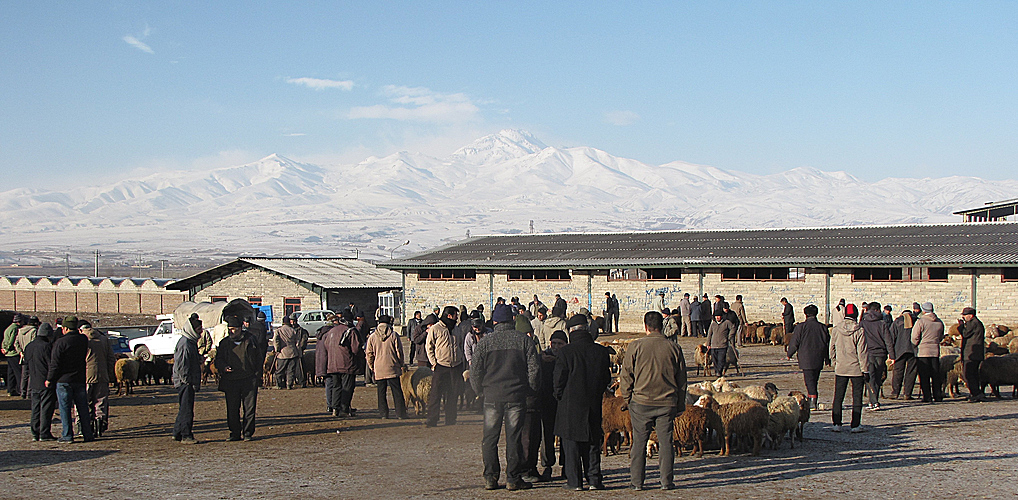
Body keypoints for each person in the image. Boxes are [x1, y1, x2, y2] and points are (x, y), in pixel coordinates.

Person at [470, 304, 540, 491]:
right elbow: (534, 370)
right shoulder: (524, 341)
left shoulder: (485, 342)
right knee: (514, 438)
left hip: (492, 396)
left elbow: (474, 371)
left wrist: (479, 391)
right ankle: (513, 478)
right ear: (513, 320)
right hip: (516, 396)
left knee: (489, 439)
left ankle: (490, 478)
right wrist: (529, 391)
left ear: (494, 321)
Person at [620, 311, 686, 491]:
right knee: (666, 444)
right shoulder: (674, 348)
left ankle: (637, 482)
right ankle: (666, 481)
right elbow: (681, 380)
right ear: (662, 326)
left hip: (640, 403)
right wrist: (680, 405)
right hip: (667, 403)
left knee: (639, 443)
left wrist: (627, 398)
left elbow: (626, 375)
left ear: (645, 326)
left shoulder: (636, 346)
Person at [553, 315, 612, 491]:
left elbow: (558, 380)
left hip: (570, 404)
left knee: (571, 444)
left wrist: (560, 396)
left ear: (571, 332)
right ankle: (594, 479)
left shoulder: (566, 352)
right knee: (593, 442)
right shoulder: (600, 352)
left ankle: (574, 481)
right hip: (593, 403)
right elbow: (606, 379)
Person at [46, 316, 94, 443]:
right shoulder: (83, 339)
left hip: (64, 380)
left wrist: (50, 379)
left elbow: (55, 364)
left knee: (65, 408)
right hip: (79, 378)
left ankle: (67, 435)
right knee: (83, 408)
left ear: (65, 328)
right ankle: (87, 433)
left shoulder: (61, 342)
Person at [215, 315, 262, 441]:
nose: (231, 331)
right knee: (232, 408)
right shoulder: (224, 343)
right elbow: (218, 360)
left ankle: (247, 433)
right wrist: (223, 367)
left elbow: (259, 358)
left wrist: (257, 375)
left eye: (234, 329)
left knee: (249, 408)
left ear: (240, 328)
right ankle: (235, 432)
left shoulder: (251, 340)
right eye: (229, 328)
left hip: (249, 379)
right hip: (231, 381)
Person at [828, 304, 868, 433]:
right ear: (855, 315)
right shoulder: (859, 331)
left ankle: (837, 423)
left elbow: (832, 348)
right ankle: (855, 425)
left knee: (838, 396)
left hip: (841, 367)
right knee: (857, 397)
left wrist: (835, 362)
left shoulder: (836, 329)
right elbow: (862, 352)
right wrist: (865, 369)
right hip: (856, 368)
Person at [425, 306, 464, 427]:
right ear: (449, 316)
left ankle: (451, 419)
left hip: (455, 365)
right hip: (441, 366)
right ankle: (432, 419)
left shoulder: (457, 329)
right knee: (436, 394)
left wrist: (460, 358)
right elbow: (429, 346)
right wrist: (434, 363)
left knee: (453, 394)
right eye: (455, 315)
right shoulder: (435, 329)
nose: (457, 317)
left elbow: (460, 344)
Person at [786, 304, 830, 411]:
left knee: (809, 381)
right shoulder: (822, 327)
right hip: (818, 357)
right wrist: (827, 359)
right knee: (814, 380)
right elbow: (826, 344)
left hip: (806, 358)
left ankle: (812, 401)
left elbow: (795, 342)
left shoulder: (801, 327)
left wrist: (789, 353)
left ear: (805, 314)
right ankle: (813, 399)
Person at [319, 311, 361, 417]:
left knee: (336, 387)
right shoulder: (350, 331)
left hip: (332, 364)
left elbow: (326, 346)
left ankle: (335, 408)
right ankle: (344, 409)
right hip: (346, 364)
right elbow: (356, 349)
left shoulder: (331, 331)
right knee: (347, 387)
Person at [537, 330, 567, 482]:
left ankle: (565, 466)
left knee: (565, 436)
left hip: (563, 403)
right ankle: (547, 465)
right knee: (547, 436)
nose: (555, 346)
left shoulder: (568, 357)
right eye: (553, 343)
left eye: (559, 344)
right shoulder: (542, 358)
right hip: (547, 401)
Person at [365, 315, 408, 419]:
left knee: (381, 392)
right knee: (397, 391)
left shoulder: (372, 337)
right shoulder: (394, 335)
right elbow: (399, 352)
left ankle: (384, 414)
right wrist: (401, 363)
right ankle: (400, 413)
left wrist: (372, 366)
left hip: (379, 367)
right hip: (392, 366)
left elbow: (369, 354)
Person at [173, 313, 203, 444]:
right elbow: (182, 365)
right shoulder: (186, 344)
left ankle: (177, 432)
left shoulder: (190, 342)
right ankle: (186, 435)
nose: (200, 332)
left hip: (186, 380)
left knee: (184, 407)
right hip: (185, 382)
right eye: (198, 330)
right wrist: (187, 380)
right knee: (186, 408)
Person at [24, 323, 57, 441]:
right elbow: (51, 364)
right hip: (45, 382)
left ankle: (35, 431)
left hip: (33, 382)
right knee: (46, 409)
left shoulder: (29, 346)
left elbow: (26, 366)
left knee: (35, 408)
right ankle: (44, 433)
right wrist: (50, 379)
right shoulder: (47, 346)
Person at [82, 320, 115, 437]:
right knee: (100, 401)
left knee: (83, 402)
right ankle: (99, 427)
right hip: (102, 375)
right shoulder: (103, 339)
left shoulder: (81, 339)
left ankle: (83, 427)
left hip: (85, 376)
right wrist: (110, 375)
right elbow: (111, 358)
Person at [860, 302, 895, 410]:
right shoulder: (882, 323)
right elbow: (888, 340)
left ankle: (873, 401)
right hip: (881, 353)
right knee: (878, 377)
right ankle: (874, 400)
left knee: (870, 377)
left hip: (867, 353)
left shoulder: (863, 324)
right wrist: (892, 355)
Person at [911, 302, 945, 403]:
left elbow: (914, 336)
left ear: (923, 310)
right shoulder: (939, 322)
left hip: (923, 351)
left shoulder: (921, 321)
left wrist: (916, 344)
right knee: (936, 374)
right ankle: (937, 395)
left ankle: (927, 396)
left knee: (924, 375)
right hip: (935, 351)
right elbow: (941, 336)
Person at [888, 308, 918, 400]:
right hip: (913, 350)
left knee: (897, 371)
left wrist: (891, 353)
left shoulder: (897, 322)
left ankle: (895, 392)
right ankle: (907, 393)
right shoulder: (917, 320)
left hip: (899, 350)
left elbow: (892, 337)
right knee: (911, 372)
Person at [958, 307, 986, 403]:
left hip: (971, 354)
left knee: (969, 374)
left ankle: (976, 394)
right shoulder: (976, 323)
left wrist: (961, 326)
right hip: (975, 353)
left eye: (965, 315)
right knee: (973, 374)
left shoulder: (973, 323)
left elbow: (965, 334)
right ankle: (975, 393)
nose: (964, 317)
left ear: (970, 315)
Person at [273, 315, 303, 390]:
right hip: (292, 352)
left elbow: (276, 340)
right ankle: (289, 384)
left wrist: (277, 349)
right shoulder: (293, 330)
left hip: (282, 353)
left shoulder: (279, 330)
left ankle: (279, 384)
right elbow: (297, 342)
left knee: (280, 370)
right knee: (291, 370)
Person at [2, 313, 27, 397]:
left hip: (8, 354)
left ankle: (11, 389)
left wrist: (4, 348)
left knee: (11, 373)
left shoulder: (8, 328)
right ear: (19, 322)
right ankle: (20, 390)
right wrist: (8, 348)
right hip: (13, 353)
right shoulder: (16, 329)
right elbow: (13, 340)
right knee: (18, 372)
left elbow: (5, 339)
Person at [15, 316, 39, 398]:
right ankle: (29, 393)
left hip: (23, 355)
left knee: (24, 375)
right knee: (31, 375)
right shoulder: (34, 331)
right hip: (32, 355)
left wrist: (20, 352)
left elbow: (16, 343)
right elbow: (34, 343)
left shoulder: (20, 331)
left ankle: (22, 392)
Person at [707, 312, 734, 376]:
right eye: (716, 316)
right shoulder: (713, 324)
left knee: (721, 360)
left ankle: (719, 371)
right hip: (714, 345)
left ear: (721, 316)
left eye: (718, 316)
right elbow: (709, 334)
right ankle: (717, 371)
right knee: (714, 360)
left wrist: (729, 337)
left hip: (723, 345)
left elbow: (733, 328)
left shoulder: (727, 322)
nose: (717, 317)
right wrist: (708, 343)